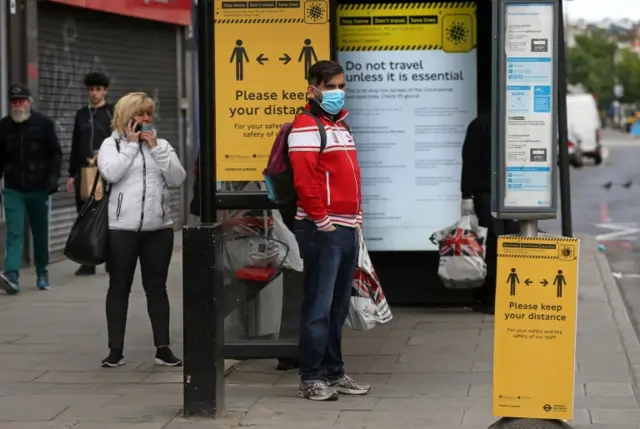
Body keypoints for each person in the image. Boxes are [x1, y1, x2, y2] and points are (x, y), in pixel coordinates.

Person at [288, 60, 370, 401]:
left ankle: (334, 372)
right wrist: (322, 220)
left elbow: (346, 175)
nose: (338, 92)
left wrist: (356, 214)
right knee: (319, 306)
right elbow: (305, 181)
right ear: (313, 88)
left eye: (341, 85)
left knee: (337, 306)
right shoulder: (306, 126)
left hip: (346, 227)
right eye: (331, 86)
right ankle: (312, 376)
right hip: (325, 228)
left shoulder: (340, 126)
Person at [97, 92, 186, 368]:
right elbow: (111, 173)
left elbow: (177, 179)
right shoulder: (110, 144)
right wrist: (132, 146)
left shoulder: (162, 145)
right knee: (119, 287)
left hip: (158, 230)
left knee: (157, 289)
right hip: (121, 229)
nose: (145, 119)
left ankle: (163, 349)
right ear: (126, 116)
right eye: (139, 114)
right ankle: (115, 350)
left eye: (148, 114)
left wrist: (156, 148)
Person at [0, 84, 62, 294]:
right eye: (14, 101)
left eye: (22, 100)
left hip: (39, 188)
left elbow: (56, 153)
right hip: (13, 188)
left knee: (40, 233)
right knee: (15, 232)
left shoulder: (43, 124)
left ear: (29, 102)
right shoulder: (4, 126)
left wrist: (53, 179)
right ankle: (11, 276)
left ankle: (42, 272)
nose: (18, 105)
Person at [460, 112, 518, 315]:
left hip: (486, 194)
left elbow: (470, 161)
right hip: (511, 192)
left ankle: (491, 297)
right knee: (507, 244)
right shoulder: (514, 123)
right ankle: (504, 295)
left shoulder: (480, 125)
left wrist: (466, 195)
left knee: (492, 246)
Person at [67, 72, 114, 276]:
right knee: (85, 213)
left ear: (105, 91)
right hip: (85, 171)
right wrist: (71, 174)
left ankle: (110, 258)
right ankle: (88, 259)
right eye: (91, 90)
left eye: (98, 89)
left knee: (107, 214)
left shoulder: (111, 112)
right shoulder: (81, 114)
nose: (94, 94)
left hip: (106, 171)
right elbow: (75, 143)